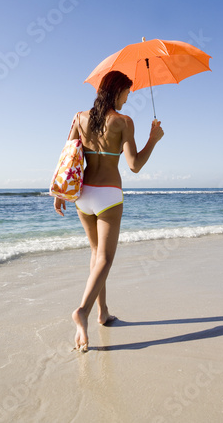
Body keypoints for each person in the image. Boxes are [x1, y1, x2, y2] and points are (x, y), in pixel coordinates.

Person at [53, 71, 164, 352]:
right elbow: (134, 165)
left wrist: (58, 192)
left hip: (82, 195)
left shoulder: (79, 117)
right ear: (117, 91)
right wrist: (154, 139)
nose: (129, 97)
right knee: (106, 258)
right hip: (109, 195)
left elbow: (67, 155)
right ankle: (84, 310)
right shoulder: (124, 122)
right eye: (128, 92)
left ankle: (102, 313)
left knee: (95, 254)